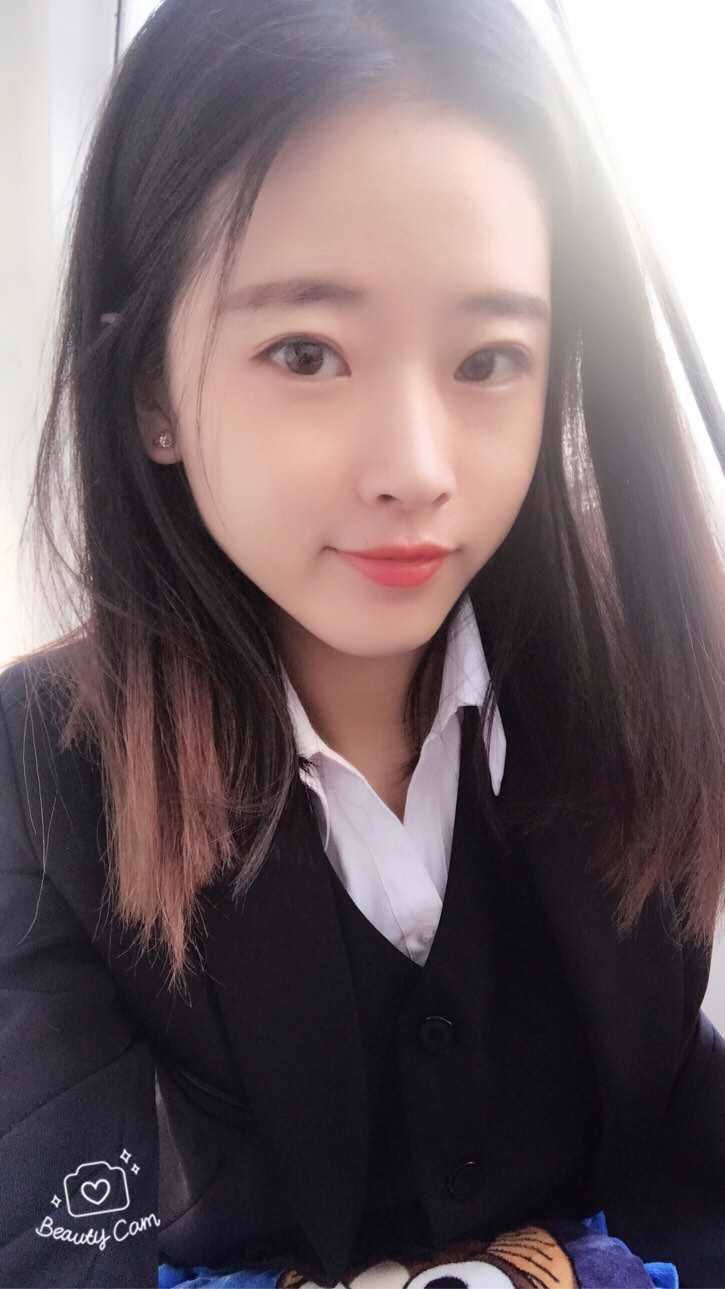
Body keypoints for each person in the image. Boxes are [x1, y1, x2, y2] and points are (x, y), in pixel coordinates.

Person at [1, 0, 723, 1286]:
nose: (415, 466)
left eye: (487, 358)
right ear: (152, 389)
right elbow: (57, 1243)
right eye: (306, 351)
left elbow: (677, 1138)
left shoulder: (636, 689)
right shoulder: (40, 772)